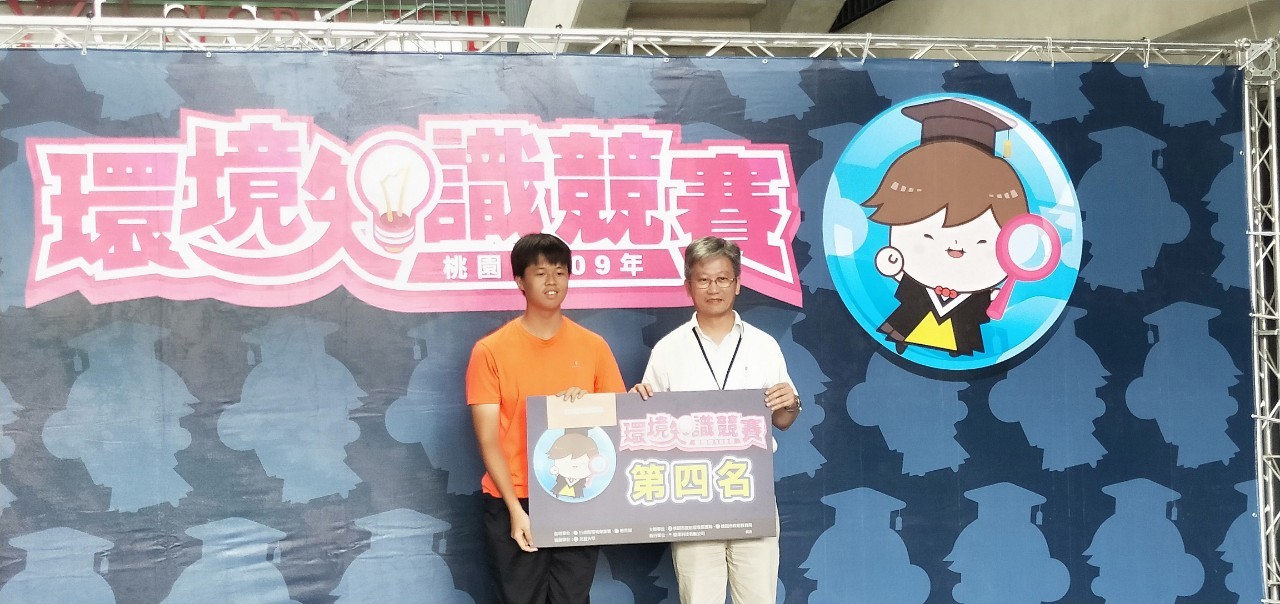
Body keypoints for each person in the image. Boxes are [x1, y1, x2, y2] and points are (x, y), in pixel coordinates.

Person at [630, 236, 800, 604]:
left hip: (750, 488)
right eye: (703, 280)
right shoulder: (668, 349)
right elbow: (648, 426)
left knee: (758, 597)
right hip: (692, 493)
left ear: (737, 284)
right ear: (688, 286)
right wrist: (637, 405)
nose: (713, 288)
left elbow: (783, 419)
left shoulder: (763, 345)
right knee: (699, 597)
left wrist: (791, 402)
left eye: (722, 279)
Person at [466, 233, 626, 604]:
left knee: (573, 598)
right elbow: (488, 439)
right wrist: (514, 510)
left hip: (578, 495)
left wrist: (588, 406)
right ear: (520, 281)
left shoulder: (593, 346)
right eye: (540, 273)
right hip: (515, 497)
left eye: (560, 272)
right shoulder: (490, 351)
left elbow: (617, 420)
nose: (552, 281)